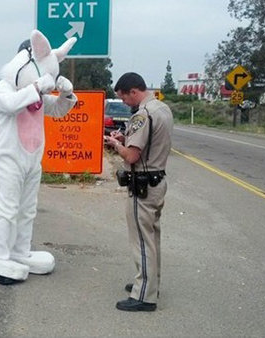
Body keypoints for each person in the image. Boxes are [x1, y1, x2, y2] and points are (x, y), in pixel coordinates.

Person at [0, 30, 77, 285]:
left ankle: (20, 252)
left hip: (32, 158)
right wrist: (36, 86)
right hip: (8, 157)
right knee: (8, 208)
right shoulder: (4, 88)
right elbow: (12, 104)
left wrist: (67, 95)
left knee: (27, 209)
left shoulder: (36, 93)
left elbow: (57, 110)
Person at [104, 72, 174, 311]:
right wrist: (126, 136)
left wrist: (116, 145)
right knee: (152, 238)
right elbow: (150, 140)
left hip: (143, 184)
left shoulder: (142, 115)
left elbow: (132, 155)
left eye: (124, 98)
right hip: (158, 180)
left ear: (134, 91)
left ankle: (144, 296)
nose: (125, 103)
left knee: (142, 241)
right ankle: (150, 284)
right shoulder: (162, 108)